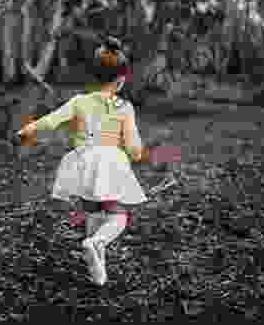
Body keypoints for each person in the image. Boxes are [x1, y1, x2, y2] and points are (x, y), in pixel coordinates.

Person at [16, 37, 180, 285]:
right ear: (122, 79)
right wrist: (146, 156)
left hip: (83, 163)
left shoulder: (78, 102)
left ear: (93, 76)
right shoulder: (124, 107)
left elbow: (51, 120)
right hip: (109, 163)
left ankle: (97, 270)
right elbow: (134, 149)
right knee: (118, 216)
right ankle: (97, 243)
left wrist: (27, 130)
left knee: (92, 212)